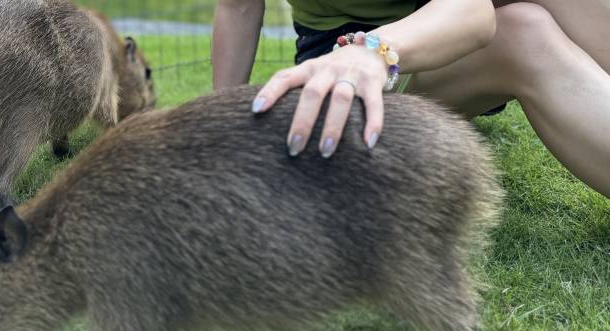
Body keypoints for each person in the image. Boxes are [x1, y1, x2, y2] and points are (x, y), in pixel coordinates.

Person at [212, 0, 610, 198]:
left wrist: (375, 50)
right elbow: (238, 5)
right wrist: (221, 132)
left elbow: (469, 9)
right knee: (525, 34)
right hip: (337, 55)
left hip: (426, 33)